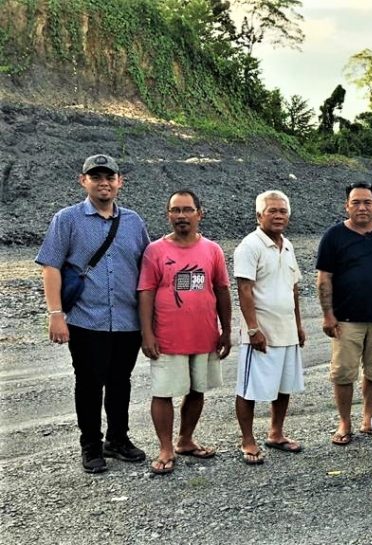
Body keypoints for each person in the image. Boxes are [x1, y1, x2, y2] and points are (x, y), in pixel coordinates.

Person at [36, 154, 151, 473]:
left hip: (127, 321)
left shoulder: (134, 222)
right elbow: (51, 266)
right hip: (86, 320)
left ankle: (117, 439)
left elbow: (148, 267)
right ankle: (90, 446)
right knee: (88, 383)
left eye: (109, 177)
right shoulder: (67, 219)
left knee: (120, 382)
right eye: (96, 177)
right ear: (83, 180)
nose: (104, 183)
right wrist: (55, 313)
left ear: (119, 182)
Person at [139, 190, 232, 475]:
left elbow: (222, 290)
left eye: (187, 209)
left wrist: (226, 329)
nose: (181, 216)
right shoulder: (155, 250)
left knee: (197, 389)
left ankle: (186, 439)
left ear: (199, 214)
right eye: (176, 210)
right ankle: (165, 448)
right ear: (168, 215)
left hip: (204, 335)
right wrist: (147, 334)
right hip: (167, 337)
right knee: (163, 392)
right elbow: (146, 292)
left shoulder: (212, 250)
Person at [316, 182, 372, 446]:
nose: (362, 207)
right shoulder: (333, 236)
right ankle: (344, 422)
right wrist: (327, 315)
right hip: (345, 320)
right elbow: (324, 279)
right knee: (344, 374)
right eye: (356, 202)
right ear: (347, 206)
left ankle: (368, 418)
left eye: (367, 202)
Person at [233, 190, 306, 466]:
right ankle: (248, 440)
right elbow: (244, 289)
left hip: (286, 331)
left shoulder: (288, 245)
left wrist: (298, 325)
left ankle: (276, 433)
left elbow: (294, 288)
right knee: (249, 388)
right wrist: (253, 330)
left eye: (282, 211)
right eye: (272, 210)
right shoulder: (249, 246)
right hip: (261, 333)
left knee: (283, 386)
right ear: (258, 215)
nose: (278, 215)